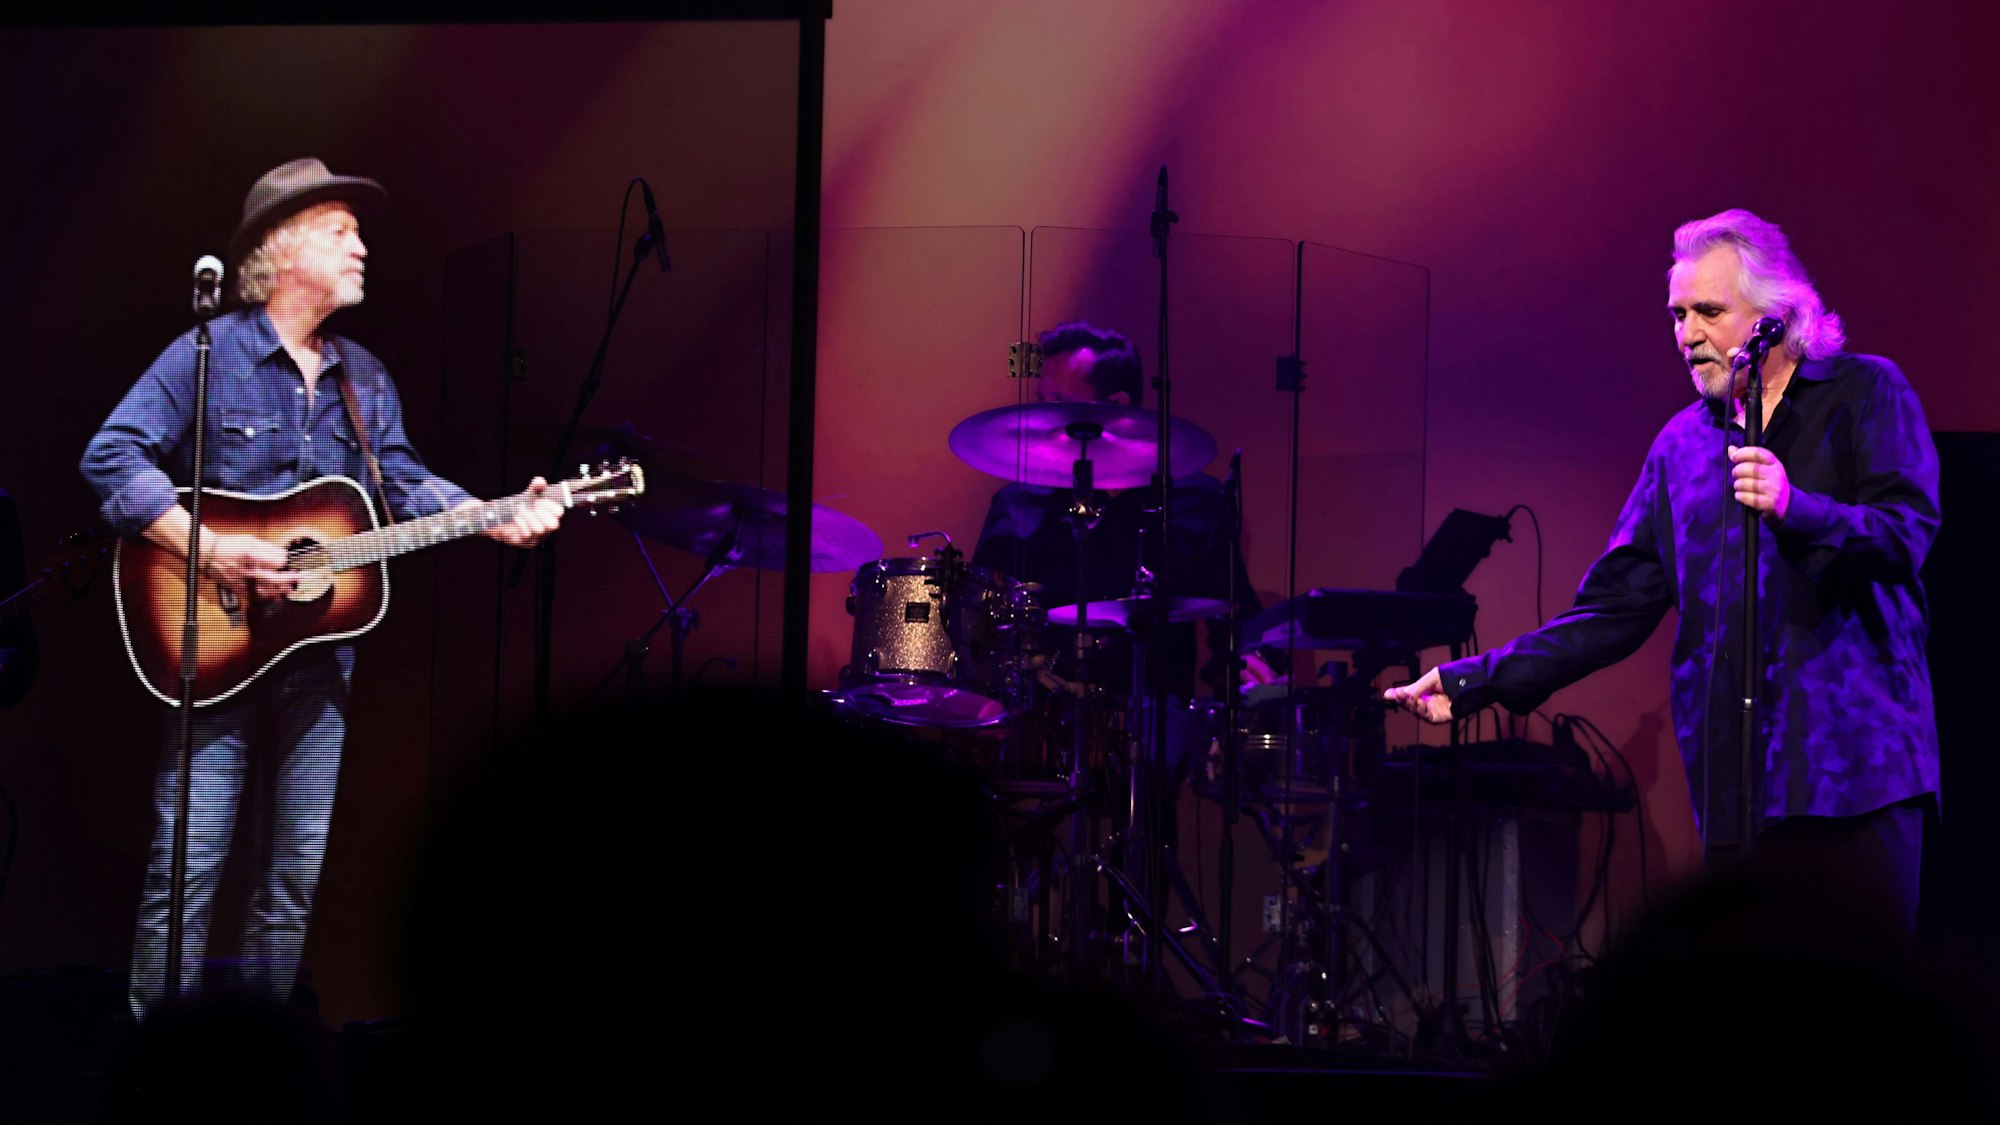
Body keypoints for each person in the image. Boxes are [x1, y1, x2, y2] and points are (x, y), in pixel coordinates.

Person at [80, 157, 564, 1021]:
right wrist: (214, 549)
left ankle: (261, 1070)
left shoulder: (364, 376)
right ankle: (156, 1069)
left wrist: (494, 511)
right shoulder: (208, 354)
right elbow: (110, 457)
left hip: (318, 662)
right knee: (186, 867)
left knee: (294, 873)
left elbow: (404, 486)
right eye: (342, 231)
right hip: (212, 651)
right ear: (281, 246)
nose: (363, 247)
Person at [1385, 209, 1939, 929]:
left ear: (1779, 314)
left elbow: (1906, 534)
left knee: (1863, 1009)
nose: (1687, 334)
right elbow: (1612, 610)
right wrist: (1474, 681)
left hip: (1857, 774)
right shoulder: (1681, 448)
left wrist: (1796, 507)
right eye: (1677, 314)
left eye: (1709, 311)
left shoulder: (1865, 394)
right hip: (1738, 787)